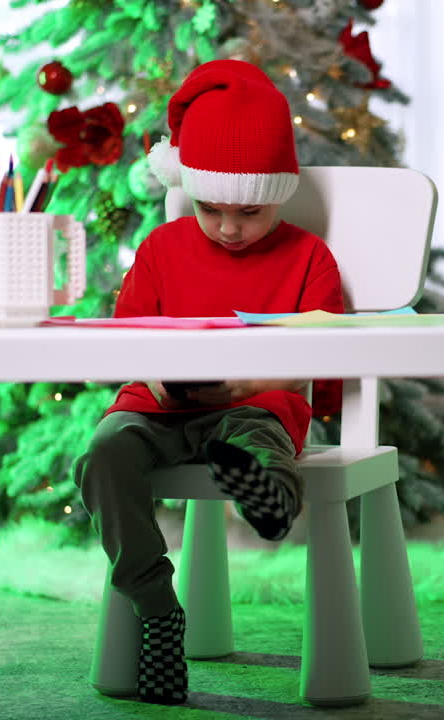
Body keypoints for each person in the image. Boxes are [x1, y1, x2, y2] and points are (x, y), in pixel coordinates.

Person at [71, 59, 344, 706]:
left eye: (249, 211)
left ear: (280, 192)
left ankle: (267, 499)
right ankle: (156, 607)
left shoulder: (308, 256)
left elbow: (327, 356)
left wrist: (246, 385)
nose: (228, 227)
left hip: (254, 405)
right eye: (210, 208)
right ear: (188, 188)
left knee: (255, 437)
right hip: (159, 407)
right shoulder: (162, 248)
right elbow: (128, 336)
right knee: (105, 451)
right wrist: (159, 378)